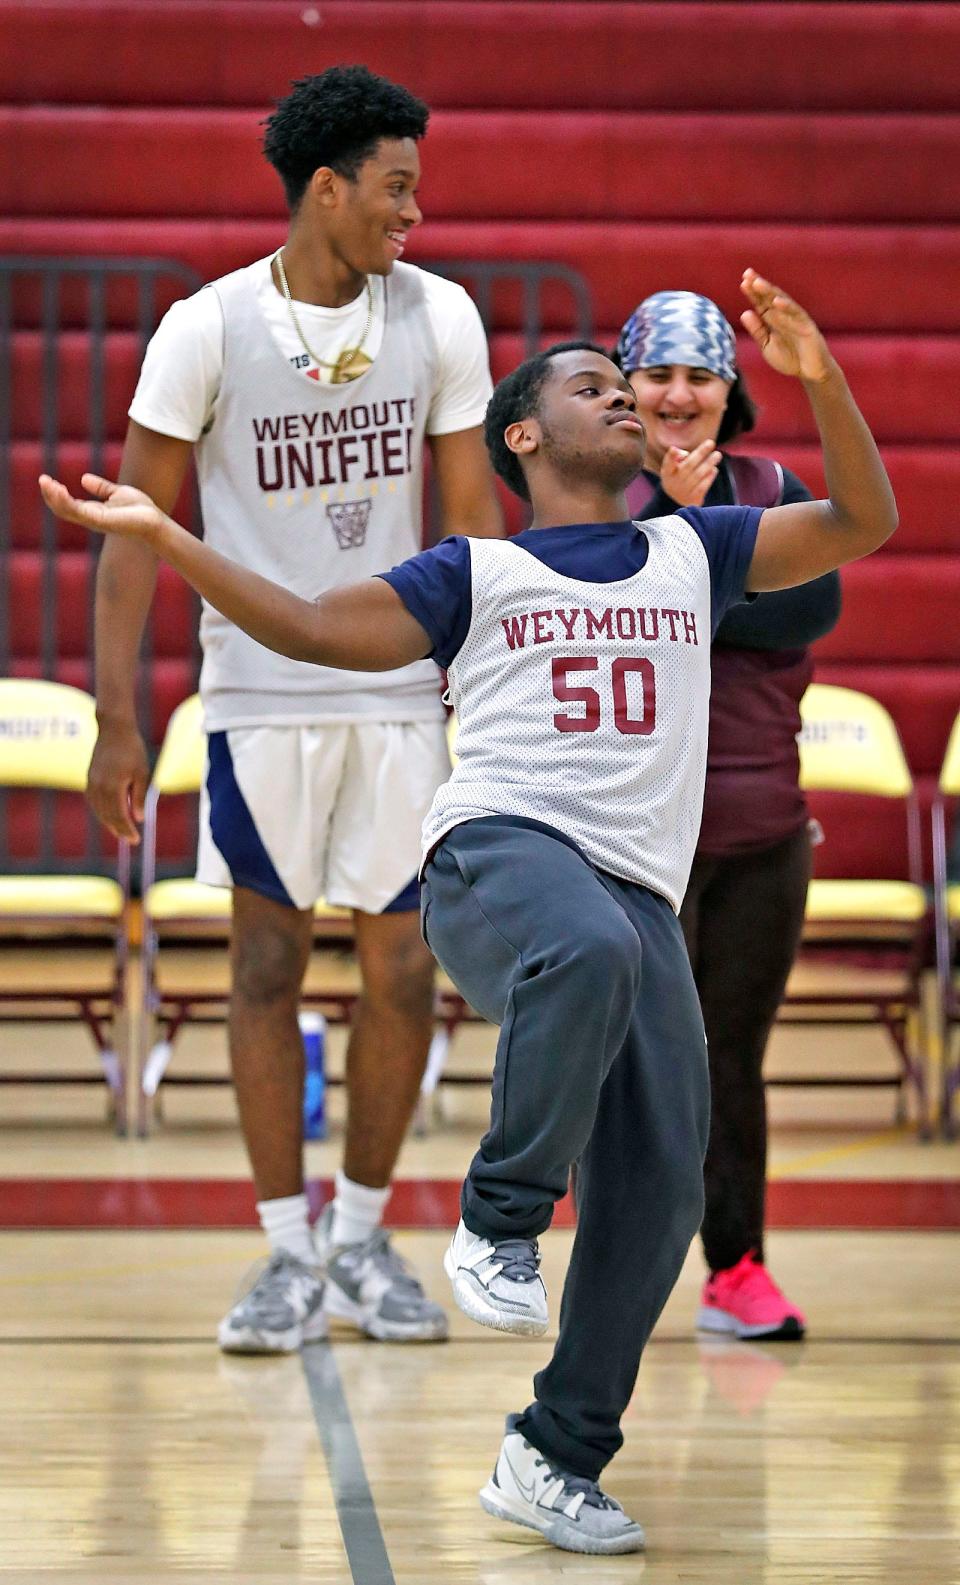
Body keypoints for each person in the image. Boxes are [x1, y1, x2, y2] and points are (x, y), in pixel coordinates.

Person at [41, 269, 898, 1555]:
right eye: (592, 387)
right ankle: (498, 1218)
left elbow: (865, 522)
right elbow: (316, 626)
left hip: (632, 898)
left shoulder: (695, 547)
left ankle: (554, 1455)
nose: (625, 397)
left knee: (666, 1181)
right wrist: (167, 541)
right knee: (590, 946)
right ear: (524, 437)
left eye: (629, 386)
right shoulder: (475, 572)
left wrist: (822, 375)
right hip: (496, 863)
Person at [85, 65, 503, 1352]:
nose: (411, 214)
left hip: (394, 694)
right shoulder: (206, 329)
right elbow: (130, 534)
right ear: (326, 189)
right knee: (263, 966)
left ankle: (366, 1235)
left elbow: (477, 518)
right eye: (394, 188)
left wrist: (490, 689)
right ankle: (281, 1252)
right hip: (259, 699)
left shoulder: (438, 317)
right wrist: (117, 718)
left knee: (403, 966)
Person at [615, 290, 842, 1340]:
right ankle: (616, 1268)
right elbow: (624, 615)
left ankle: (737, 1267)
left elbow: (808, 605)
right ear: (627, 387)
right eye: (658, 374)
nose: (677, 394)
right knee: (630, 1056)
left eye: (699, 375)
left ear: (729, 390)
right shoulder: (595, 497)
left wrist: (693, 539)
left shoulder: (775, 487)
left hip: (761, 830)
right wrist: (678, 527)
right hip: (633, 837)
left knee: (732, 1055)